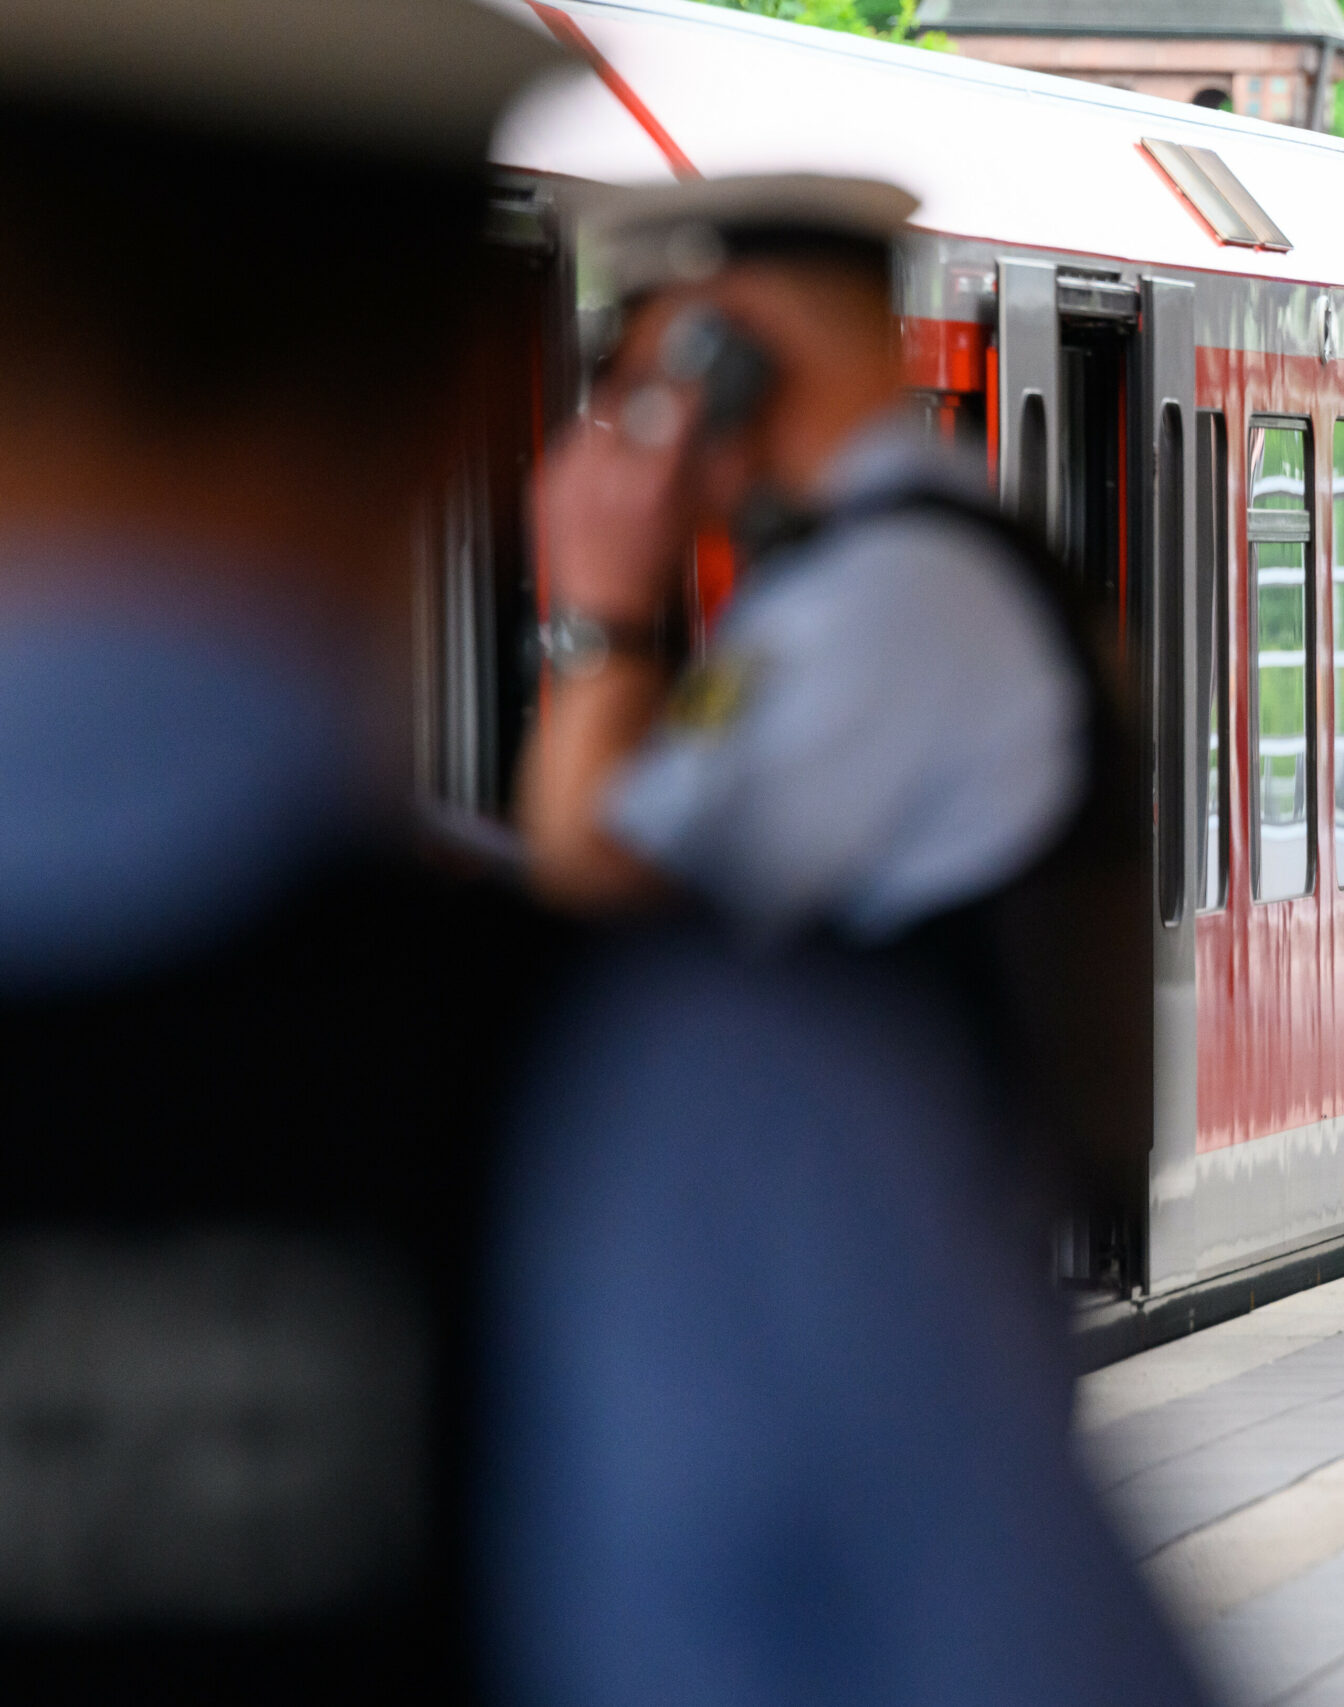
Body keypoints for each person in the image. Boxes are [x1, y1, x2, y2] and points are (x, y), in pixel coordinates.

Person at [0, 5, 1203, 1705]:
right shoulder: (707, 1108)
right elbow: (595, 878)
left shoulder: (893, 596)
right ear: (460, 396)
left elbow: (598, 850)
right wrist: (606, 605)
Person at [518, 178, 1151, 1261]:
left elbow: (599, 891)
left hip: (894, 1244)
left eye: (646, 376)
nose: (635, 420)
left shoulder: (887, 597)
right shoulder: (912, 559)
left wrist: (602, 613)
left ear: (732, 347)